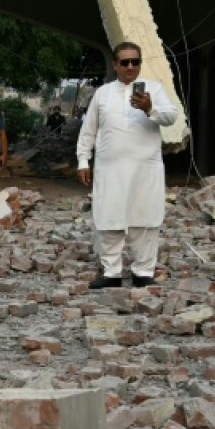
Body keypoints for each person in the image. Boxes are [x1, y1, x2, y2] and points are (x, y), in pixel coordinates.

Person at [76, 42, 180, 289]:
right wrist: (83, 160)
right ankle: (111, 272)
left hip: (145, 170)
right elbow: (88, 130)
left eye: (135, 61)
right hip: (110, 171)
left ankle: (143, 271)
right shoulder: (103, 93)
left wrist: (149, 107)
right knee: (109, 219)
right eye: (125, 62)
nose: (130, 66)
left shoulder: (154, 89)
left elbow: (171, 116)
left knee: (144, 220)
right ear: (115, 65)